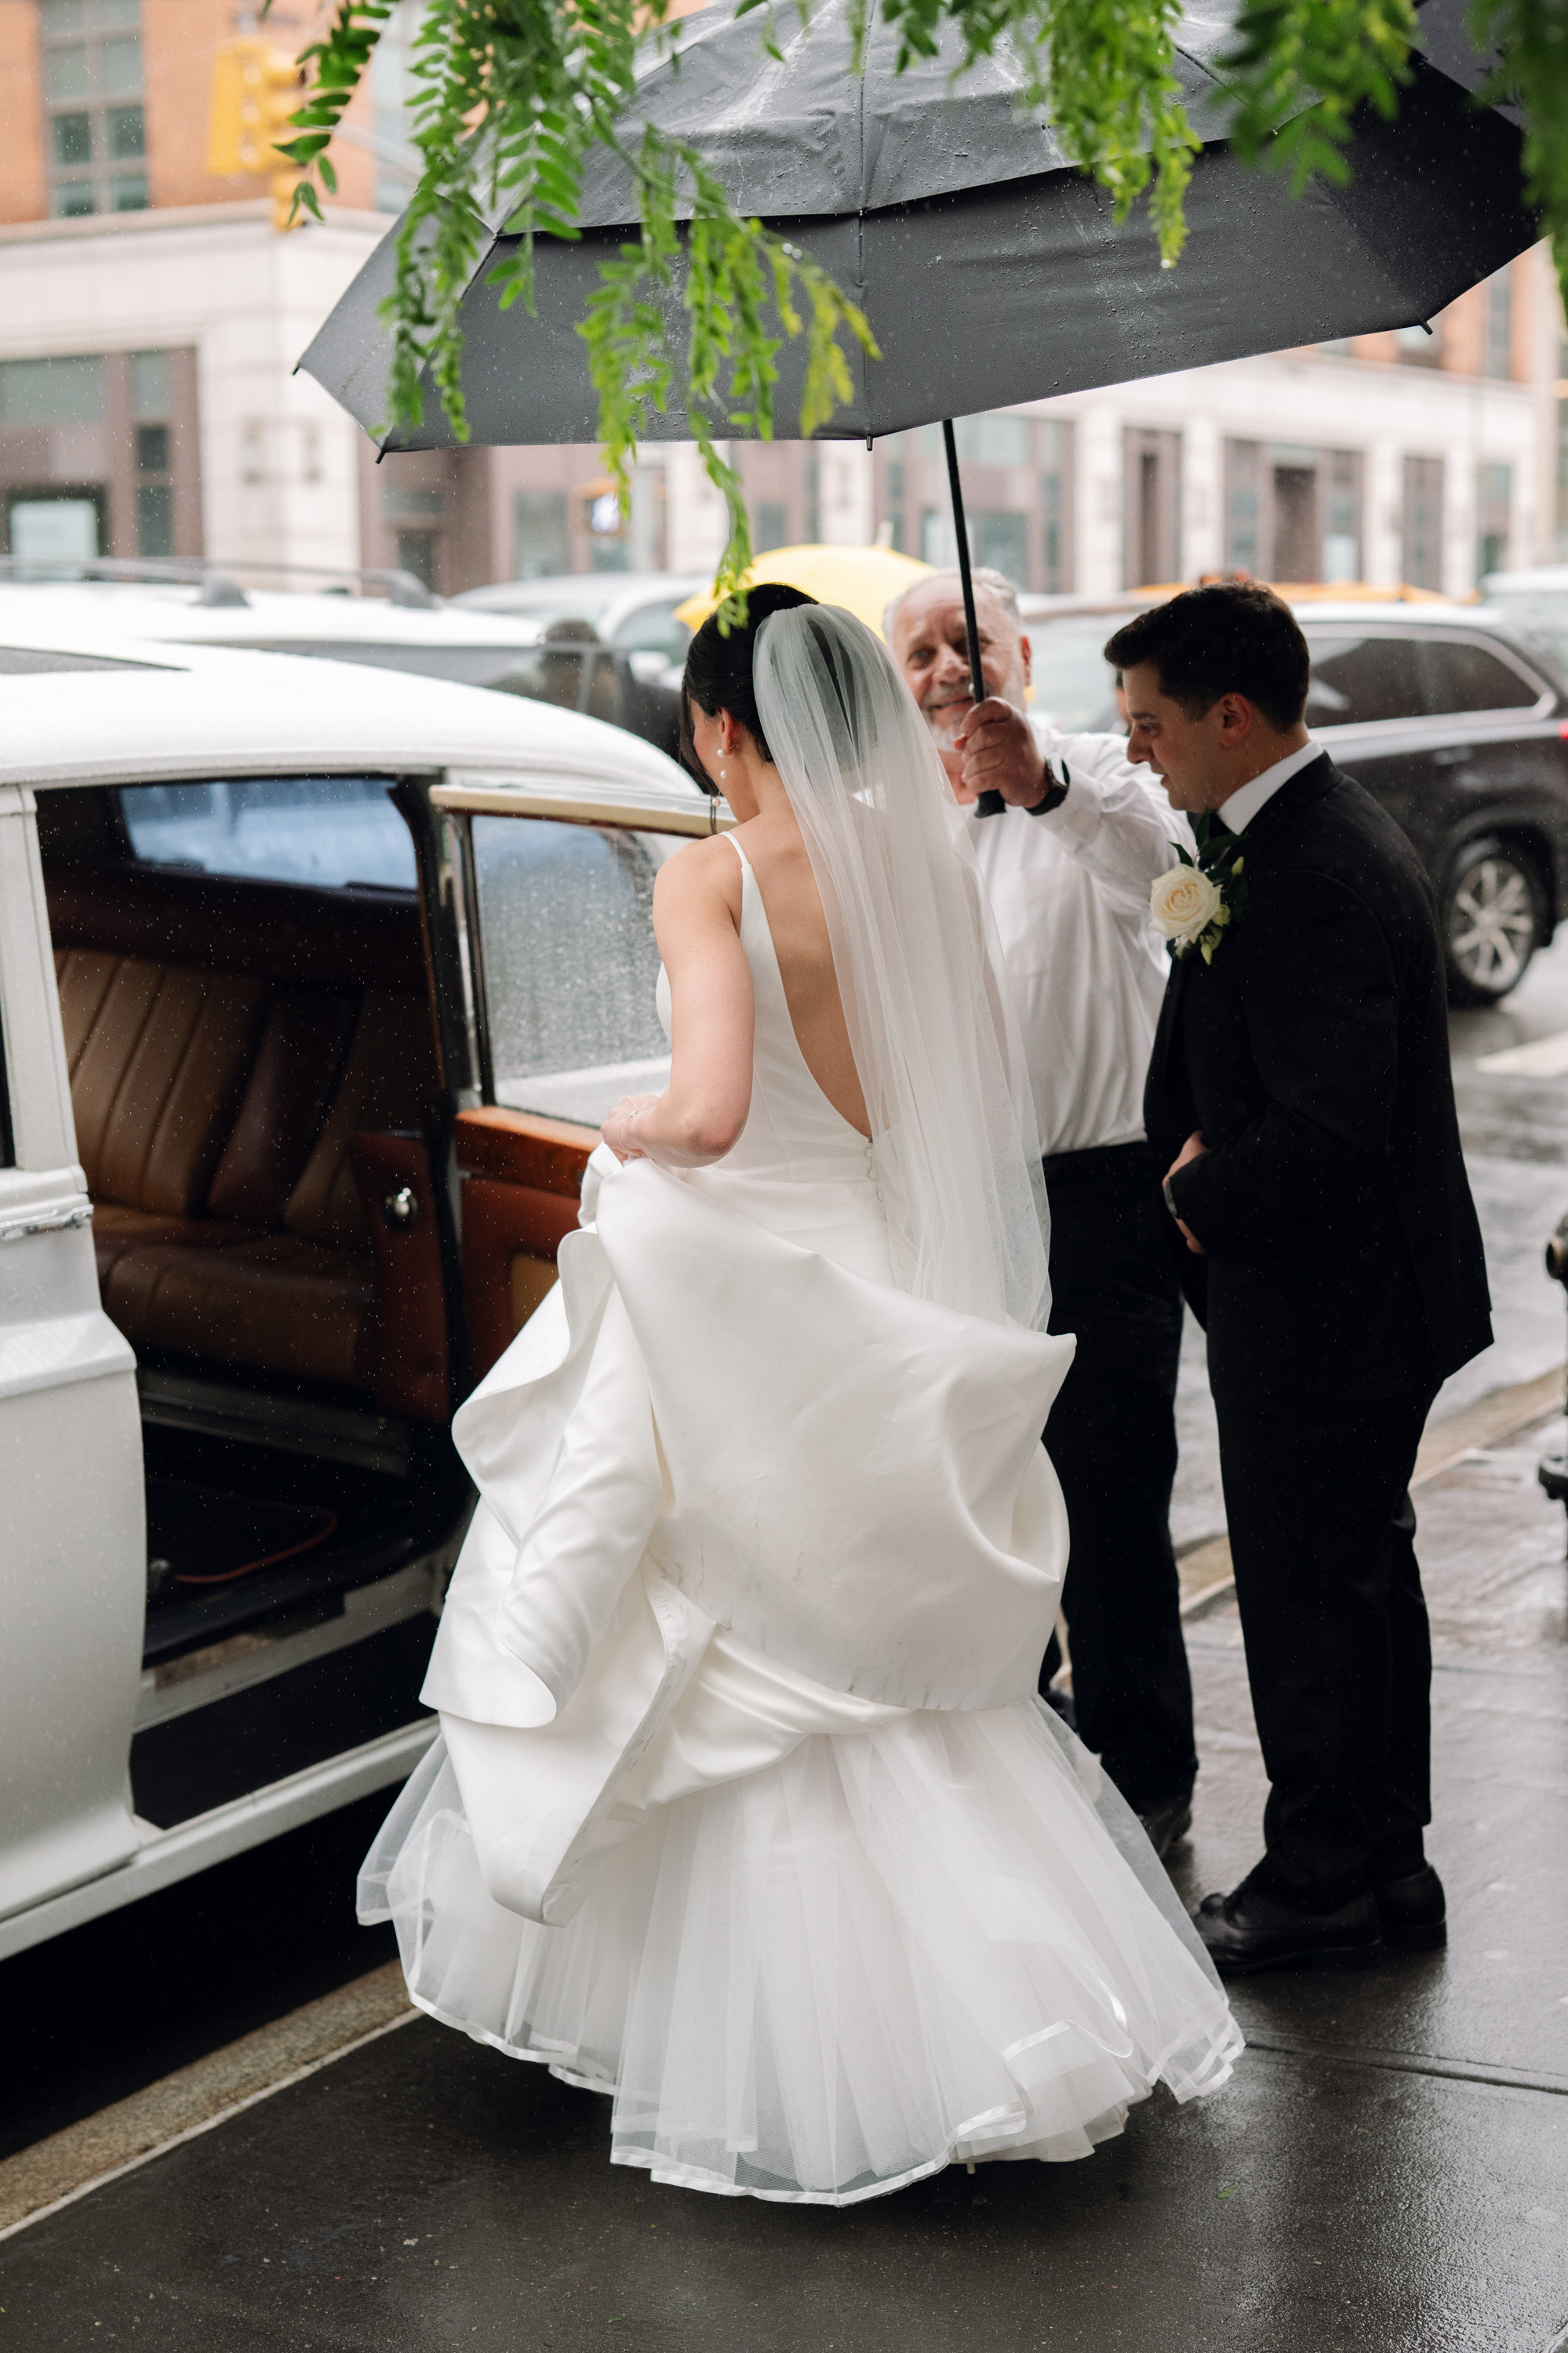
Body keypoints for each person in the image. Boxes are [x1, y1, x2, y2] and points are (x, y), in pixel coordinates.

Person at [359, 587, 1240, 2203]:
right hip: (881, 1279)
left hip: (740, 1297)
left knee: (719, 1635)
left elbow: (708, 1107)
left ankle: (730, 2038)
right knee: (888, 1666)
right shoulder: (919, 866)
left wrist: (629, 1129)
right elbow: (938, 1107)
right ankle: (997, 2025)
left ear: (716, 726)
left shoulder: (709, 873)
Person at [1114, 582, 1492, 1975]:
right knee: (1356, 1579)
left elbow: (1333, 1128)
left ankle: (1320, 1878)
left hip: (1331, 1299)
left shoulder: (1312, 870)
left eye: (1151, 725)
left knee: (1307, 1592)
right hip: (1355, 1296)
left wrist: (1191, 1188)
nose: (1141, 752)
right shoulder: (1294, 838)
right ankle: (1389, 1865)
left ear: (1230, 713)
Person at [886, 569, 1199, 1857]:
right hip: (959, 1203)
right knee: (984, 1493)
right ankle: (1026, 1730)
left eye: (970, 640)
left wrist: (1045, 789)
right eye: (921, 653)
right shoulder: (893, 825)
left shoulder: (1105, 783)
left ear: (1021, 650)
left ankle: (1146, 1768)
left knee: (1112, 1497)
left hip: (1103, 1198)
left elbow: (1172, 873)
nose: (950, 667)